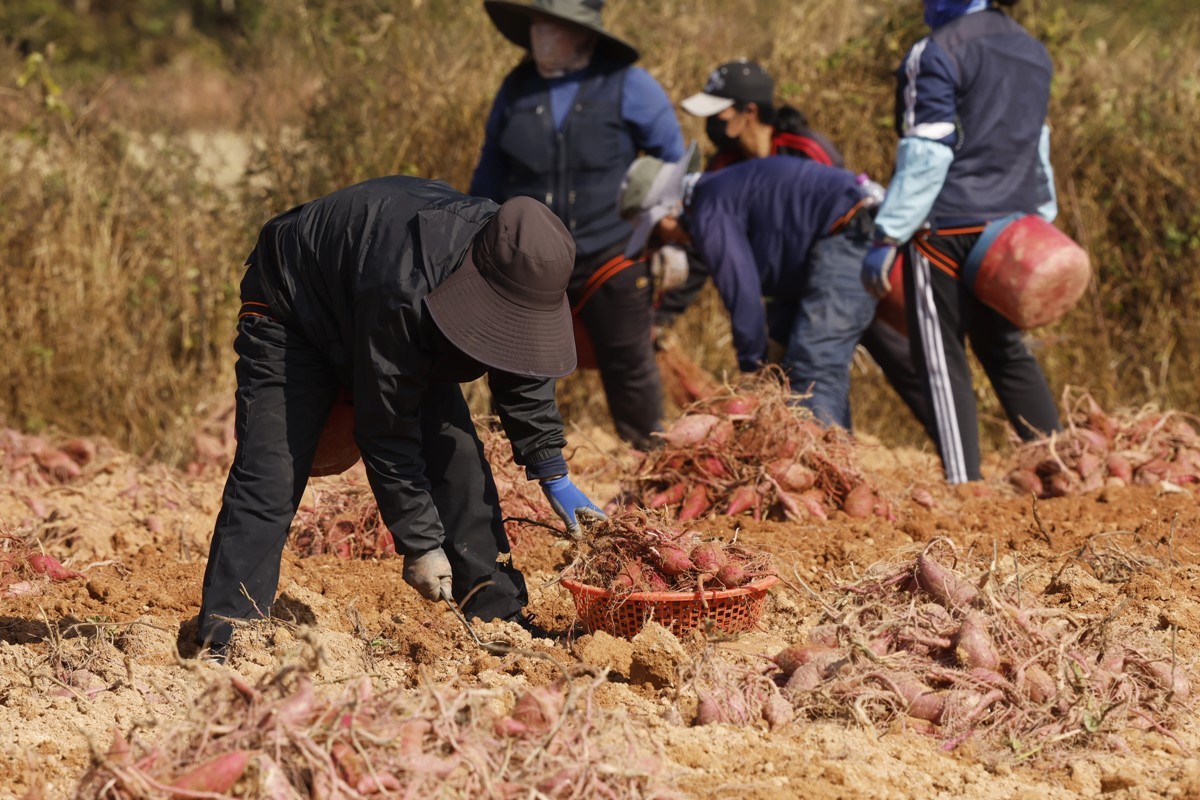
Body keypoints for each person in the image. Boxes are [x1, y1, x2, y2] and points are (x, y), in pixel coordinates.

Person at [196, 177, 605, 656]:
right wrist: (420, 542)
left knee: (457, 458)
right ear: (481, 282)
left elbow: (522, 360)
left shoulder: (519, 260)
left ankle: (498, 615)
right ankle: (226, 639)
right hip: (294, 307)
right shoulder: (407, 285)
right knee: (270, 476)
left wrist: (551, 469)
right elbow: (386, 425)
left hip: (386, 305)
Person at [860, 0, 1063, 485]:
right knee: (1004, 347)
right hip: (1010, 226)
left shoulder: (935, 49)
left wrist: (889, 231)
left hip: (944, 228)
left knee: (939, 357)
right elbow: (1037, 142)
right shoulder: (1031, 50)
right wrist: (1040, 219)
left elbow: (928, 148)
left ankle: (963, 486)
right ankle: (1060, 464)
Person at [470, 0, 685, 451]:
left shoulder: (628, 84)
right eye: (535, 25)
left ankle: (647, 463)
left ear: (583, 33)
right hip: (525, 258)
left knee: (629, 362)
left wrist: (667, 231)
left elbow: (671, 160)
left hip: (611, 252)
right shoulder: (517, 88)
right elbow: (491, 168)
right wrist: (471, 230)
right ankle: (513, 466)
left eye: (552, 26)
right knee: (514, 365)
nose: (539, 36)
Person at [619, 147, 886, 430]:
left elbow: (743, 294)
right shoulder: (718, 192)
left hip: (848, 231)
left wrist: (753, 369)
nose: (668, 241)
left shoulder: (709, 210)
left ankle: (823, 463)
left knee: (814, 367)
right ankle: (837, 453)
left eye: (659, 234)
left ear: (669, 212)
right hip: (829, 244)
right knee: (797, 370)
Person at [680, 59, 843, 171]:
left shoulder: (806, 151)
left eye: (718, 112)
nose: (712, 121)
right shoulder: (723, 163)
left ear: (750, 111)